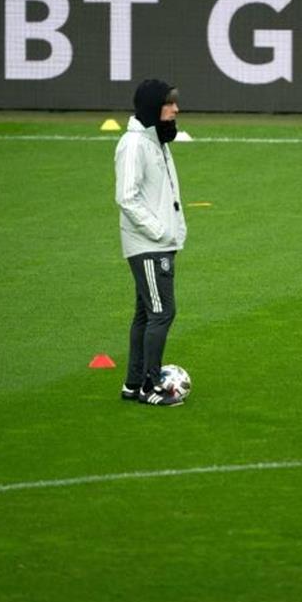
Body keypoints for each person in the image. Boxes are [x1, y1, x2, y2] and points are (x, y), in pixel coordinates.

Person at [114, 79, 187, 406]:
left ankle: (133, 384)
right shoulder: (134, 145)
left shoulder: (155, 139)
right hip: (148, 245)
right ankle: (149, 385)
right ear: (152, 107)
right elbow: (126, 198)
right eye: (168, 103)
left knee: (146, 314)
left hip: (157, 243)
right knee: (162, 312)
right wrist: (160, 232)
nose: (175, 109)